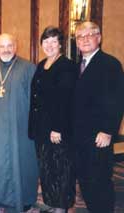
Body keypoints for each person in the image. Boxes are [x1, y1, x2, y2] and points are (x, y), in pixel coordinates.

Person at [73, 21, 124, 213]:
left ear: (99, 38)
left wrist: (108, 131)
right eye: (80, 36)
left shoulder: (110, 64)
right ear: (76, 42)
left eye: (89, 35)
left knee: (100, 181)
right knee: (86, 180)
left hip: (99, 136)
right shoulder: (78, 66)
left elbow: (117, 100)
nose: (85, 39)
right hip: (81, 137)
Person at [0, 33, 39, 212]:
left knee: (22, 161)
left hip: (21, 125)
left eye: (10, 45)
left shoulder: (28, 68)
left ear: (16, 46)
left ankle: (23, 198)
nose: (6, 49)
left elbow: (36, 100)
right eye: (2, 46)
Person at [28, 26, 76, 213]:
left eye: (53, 41)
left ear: (60, 44)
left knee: (60, 168)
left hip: (57, 129)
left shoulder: (67, 66)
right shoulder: (41, 65)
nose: (49, 45)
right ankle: (51, 201)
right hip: (41, 127)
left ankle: (61, 207)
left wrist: (57, 128)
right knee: (46, 167)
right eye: (46, 41)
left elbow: (65, 100)